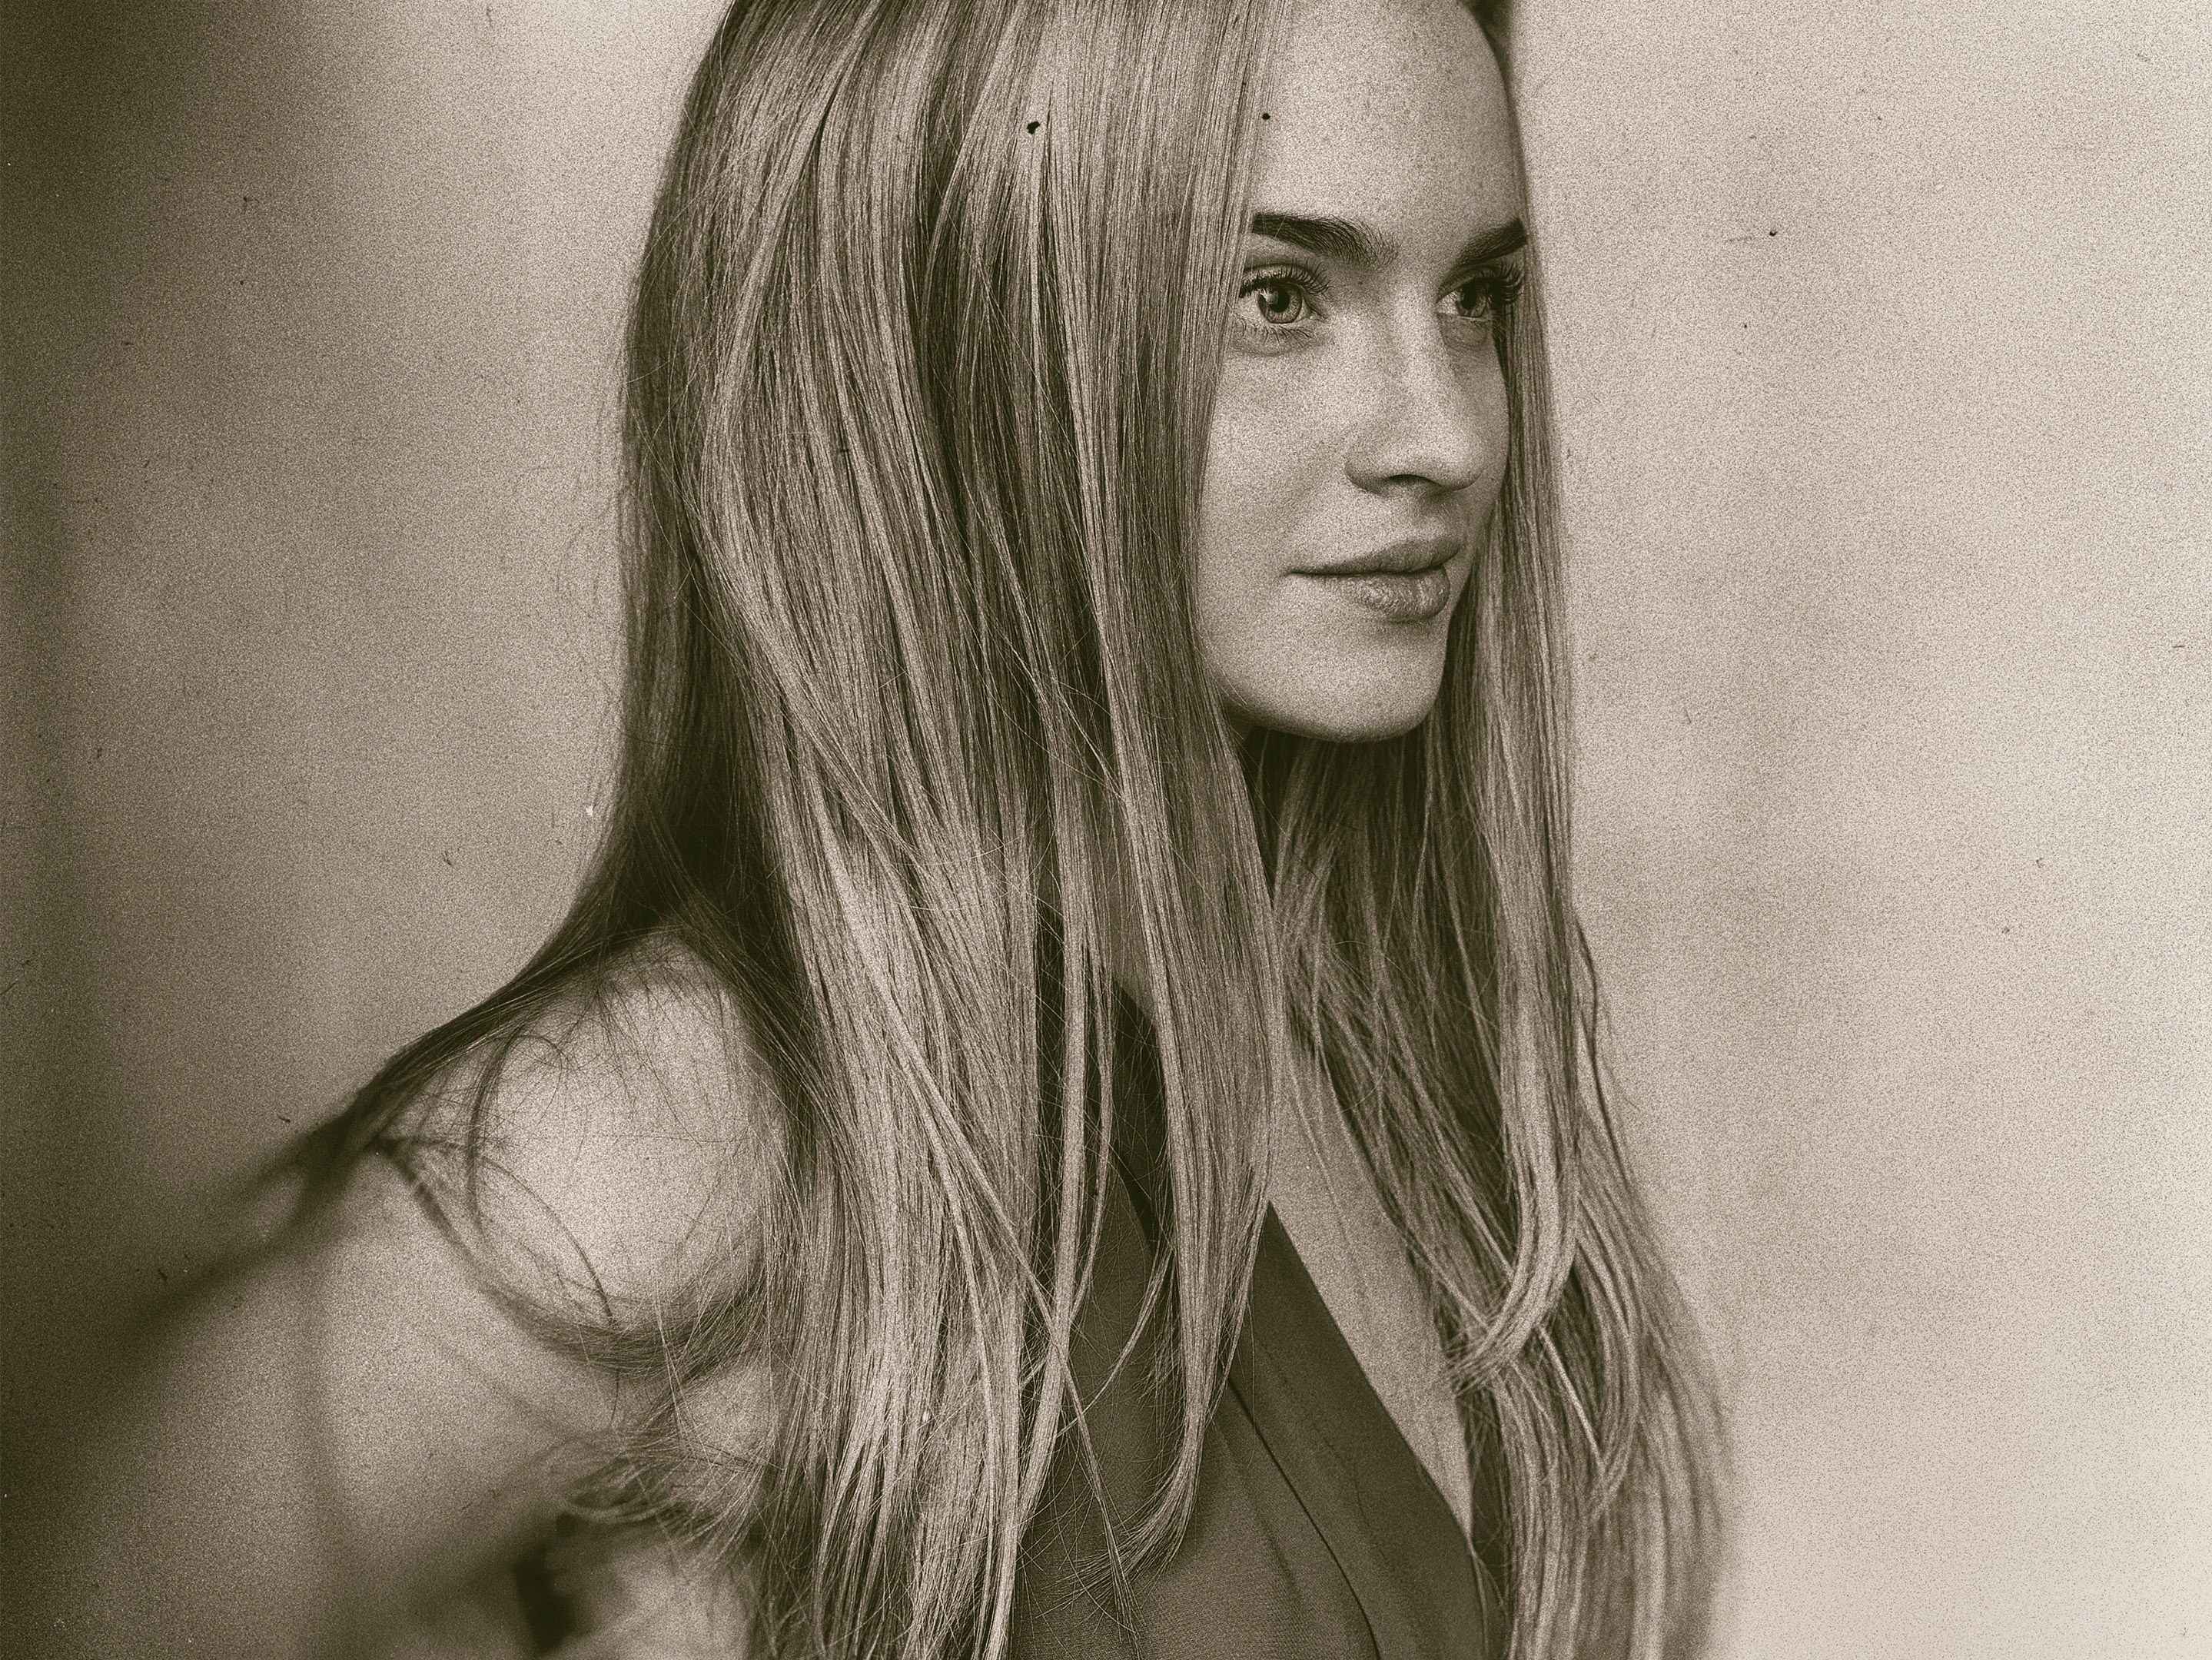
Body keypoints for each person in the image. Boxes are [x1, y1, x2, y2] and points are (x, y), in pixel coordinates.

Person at [17, 0, 1717, 1655]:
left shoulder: (1377, 1041)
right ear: (951, 328)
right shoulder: (696, 1111)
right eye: (1276, 297)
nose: (1450, 435)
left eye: (1476, 297)